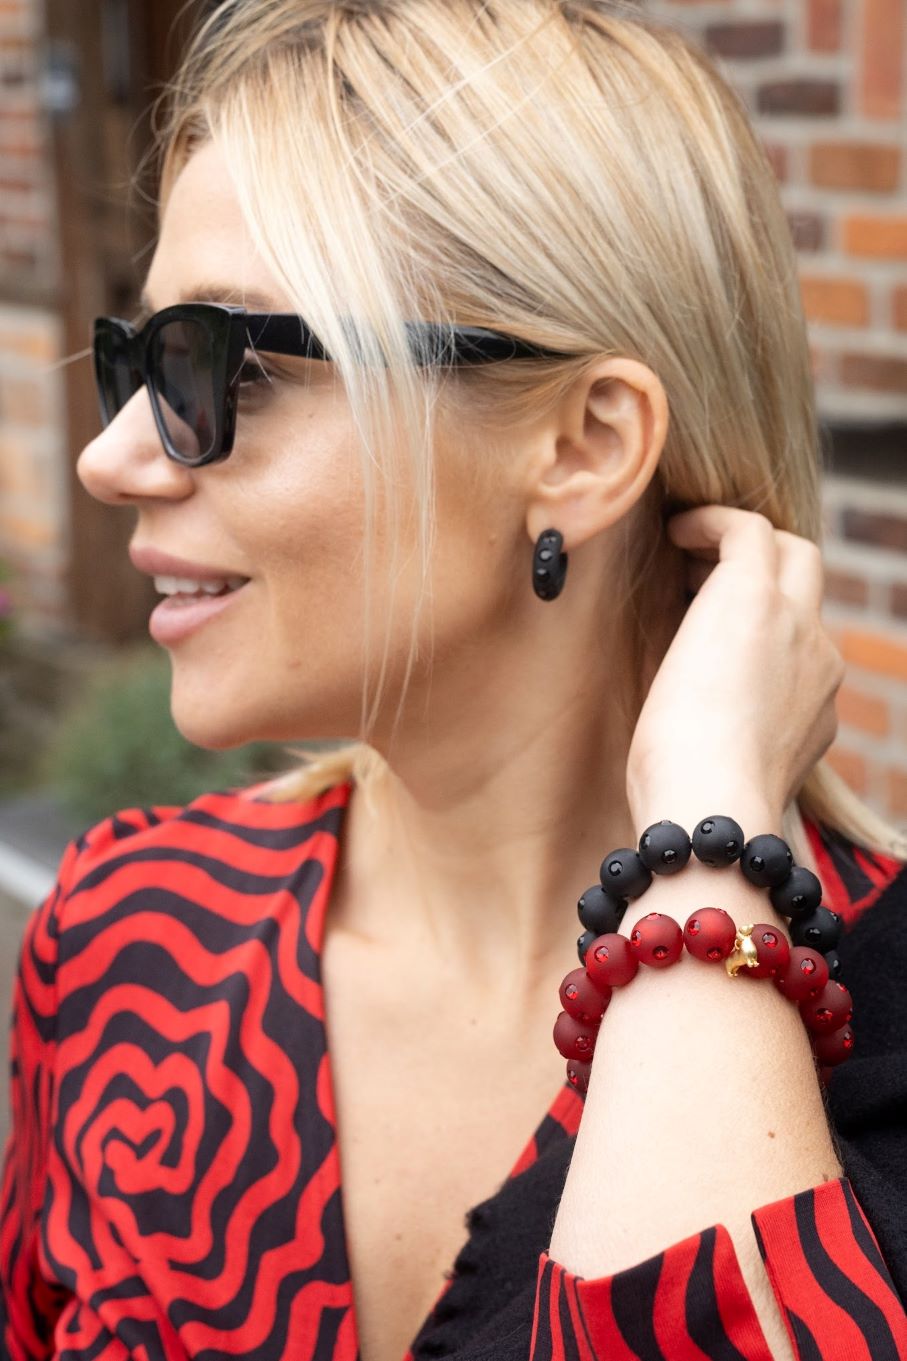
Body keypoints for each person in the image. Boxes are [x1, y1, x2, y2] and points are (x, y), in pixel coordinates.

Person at [2, 2, 906, 1358]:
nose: (116, 457)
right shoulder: (130, 934)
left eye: (207, 363)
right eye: (136, 360)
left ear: (586, 444)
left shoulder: (877, 1018)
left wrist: (710, 821)